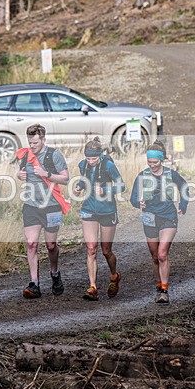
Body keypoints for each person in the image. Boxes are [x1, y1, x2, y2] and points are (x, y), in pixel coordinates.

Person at [129, 141, 189, 304]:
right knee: (155, 256)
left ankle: (164, 289)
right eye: (149, 162)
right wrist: (137, 203)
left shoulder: (171, 174)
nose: (152, 165)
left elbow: (184, 187)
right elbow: (133, 196)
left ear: (161, 160)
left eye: (155, 162)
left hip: (168, 216)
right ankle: (158, 285)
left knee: (163, 254)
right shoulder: (142, 175)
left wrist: (183, 205)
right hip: (149, 218)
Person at [16, 124, 71, 299]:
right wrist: (19, 175)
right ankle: (34, 284)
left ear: (43, 140)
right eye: (30, 142)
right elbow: (22, 171)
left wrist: (46, 174)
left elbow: (65, 178)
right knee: (32, 243)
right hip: (31, 205)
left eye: (35, 143)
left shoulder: (54, 155)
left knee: (50, 246)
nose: (32, 146)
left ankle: (55, 274)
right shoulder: (25, 154)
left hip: (51, 206)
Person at [72, 137, 125, 301]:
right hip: (89, 209)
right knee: (91, 249)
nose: (91, 161)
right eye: (88, 158)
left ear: (100, 156)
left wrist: (105, 189)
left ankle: (114, 276)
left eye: (93, 158)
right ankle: (92, 287)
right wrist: (79, 187)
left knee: (106, 251)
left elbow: (121, 185)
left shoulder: (108, 165)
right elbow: (84, 178)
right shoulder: (83, 165)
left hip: (107, 210)